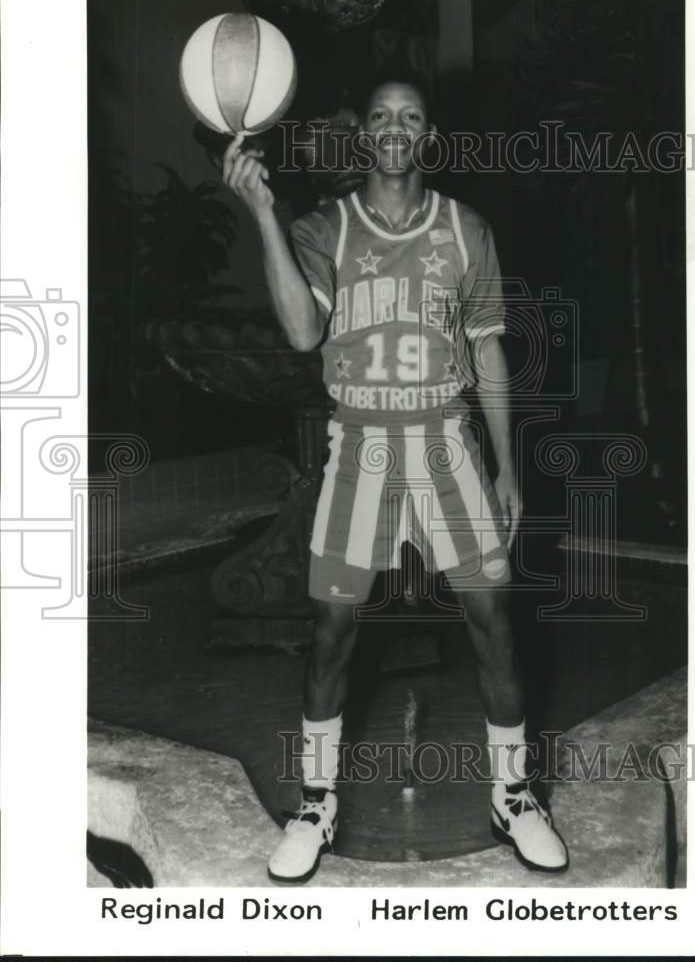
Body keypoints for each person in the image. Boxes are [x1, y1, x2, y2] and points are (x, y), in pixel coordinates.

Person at [222, 71, 568, 883]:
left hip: (447, 441)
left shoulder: (466, 227)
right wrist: (261, 212)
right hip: (363, 444)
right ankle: (316, 801)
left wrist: (509, 466)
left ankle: (512, 795)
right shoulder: (324, 228)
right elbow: (305, 333)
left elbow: (487, 350)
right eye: (379, 115)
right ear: (364, 134)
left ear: (428, 134)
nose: (393, 128)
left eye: (409, 117)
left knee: (492, 618)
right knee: (332, 629)